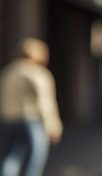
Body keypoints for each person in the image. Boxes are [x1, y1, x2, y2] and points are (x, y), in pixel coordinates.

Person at [0, 37, 63, 176]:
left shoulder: (7, 72)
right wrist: (53, 125)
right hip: (30, 119)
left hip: (8, 119)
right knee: (36, 157)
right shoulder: (37, 73)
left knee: (11, 157)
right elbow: (45, 101)